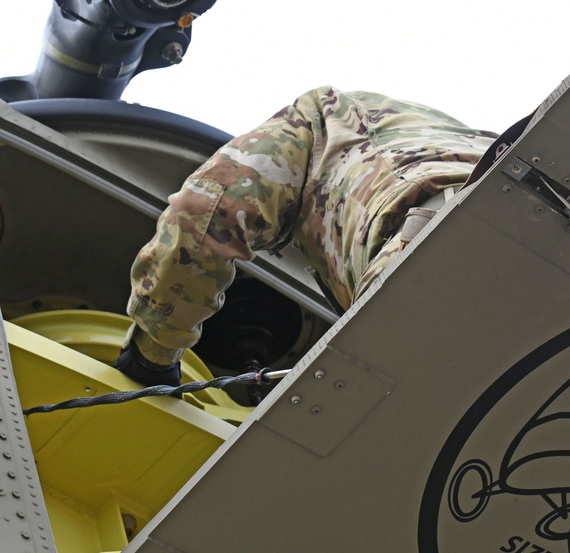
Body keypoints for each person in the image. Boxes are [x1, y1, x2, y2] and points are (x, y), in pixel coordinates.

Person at [113, 86, 502, 386]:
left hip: (434, 249)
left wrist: (154, 353)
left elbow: (208, 213)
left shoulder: (326, 115)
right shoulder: (450, 137)